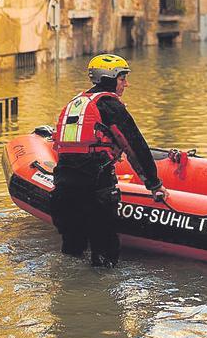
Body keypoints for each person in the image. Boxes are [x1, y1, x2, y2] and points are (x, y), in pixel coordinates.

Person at [51, 53, 164, 267]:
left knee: (72, 252)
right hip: (95, 191)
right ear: (110, 79)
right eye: (123, 79)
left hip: (63, 191)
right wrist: (154, 184)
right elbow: (135, 146)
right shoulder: (110, 106)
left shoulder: (75, 104)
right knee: (105, 258)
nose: (126, 84)